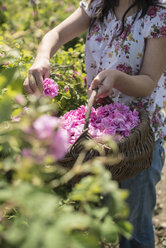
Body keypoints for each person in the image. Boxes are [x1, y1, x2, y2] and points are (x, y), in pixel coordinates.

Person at [23, 0, 166, 247]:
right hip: (98, 132)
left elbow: (148, 81)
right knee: (97, 209)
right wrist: (41, 58)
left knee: (134, 223)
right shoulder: (99, 4)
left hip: (140, 137)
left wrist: (117, 78)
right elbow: (56, 33)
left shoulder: (158, 14)